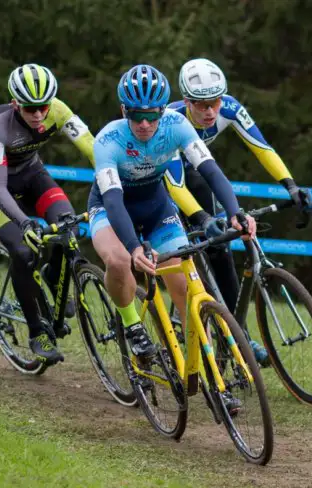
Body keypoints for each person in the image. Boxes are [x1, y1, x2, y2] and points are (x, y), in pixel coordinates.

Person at [88, 64, 255, 364]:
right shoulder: (107, 140)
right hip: (110, 209)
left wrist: (235, 213)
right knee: (119, 260)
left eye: (152, 116)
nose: (144, 124)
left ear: (163, 111)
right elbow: (113, 201)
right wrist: (133, 246)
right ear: (123, 110)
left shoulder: (176, 125)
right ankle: (132, 324)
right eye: (136, 116)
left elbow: (211, 171)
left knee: (187, 290)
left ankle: (204, 373)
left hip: (156, 207)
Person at [168, 58, 312, 363]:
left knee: (220, 248)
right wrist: (201, 217)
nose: (210, 111)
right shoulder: (171, 120)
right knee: (180, 251)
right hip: (165, 180)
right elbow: (173, 182)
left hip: (197, 174)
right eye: (201, 104)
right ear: (186, 101)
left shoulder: (230, 109)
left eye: (215, 102)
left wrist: (290, 185)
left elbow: (262, 148)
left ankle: (238, 335)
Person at [0, 63, 96, 364]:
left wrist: (113, 185)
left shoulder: (59, 110)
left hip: (31, 175)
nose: (39, 114)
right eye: (30, 109)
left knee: (69, 227)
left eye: (44, 106)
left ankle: (53, 275)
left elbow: (92, 148)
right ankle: (36, 330)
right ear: (16, 104)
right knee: (23, 252)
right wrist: (25, 221)